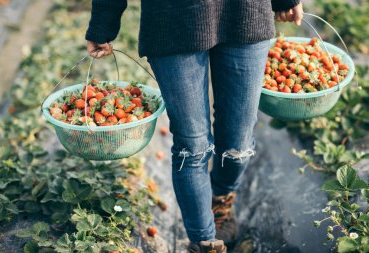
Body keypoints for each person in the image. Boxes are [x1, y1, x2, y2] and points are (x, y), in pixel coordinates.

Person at [85, 1, 303, 252]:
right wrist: (103, 22)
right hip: (173, 19)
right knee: (193, 145)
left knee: (238, 142)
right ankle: (204, 241)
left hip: (244, 12)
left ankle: (220, 197)